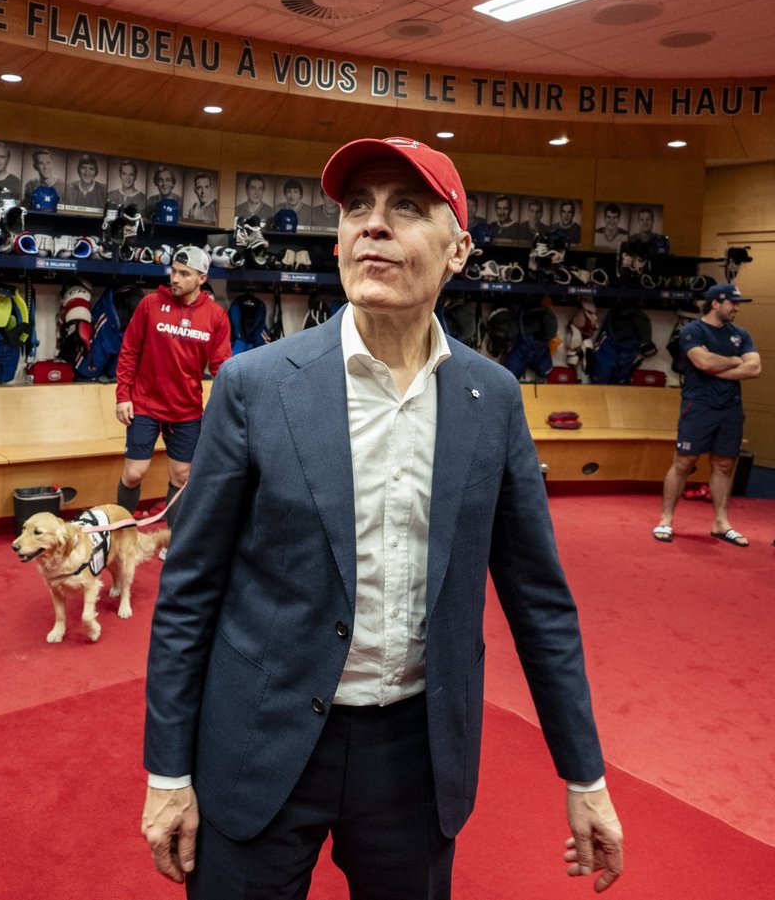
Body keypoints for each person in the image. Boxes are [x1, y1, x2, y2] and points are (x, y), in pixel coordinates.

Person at [142, 136, 623, 899]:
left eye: (406, 207)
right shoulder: (255, 386)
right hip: (261, 739)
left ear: (458, 248)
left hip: (416, 757)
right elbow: (190, 589)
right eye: (356, 207)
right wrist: (167, 770)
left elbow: (539, 600)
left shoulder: (492, 398)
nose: (373, 224)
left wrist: (585, 773)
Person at [114, 244, 231, 527]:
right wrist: (122, 395)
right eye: (173, 272)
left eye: (184, 274)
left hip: (186, 410)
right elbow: (129, 350)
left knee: (181, 476)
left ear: (202, 278)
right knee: (134, 473)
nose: (175, 279)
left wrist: (226, 406)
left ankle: (174, 541)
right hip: (144, 404)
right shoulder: (150, 305)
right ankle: (120, 532)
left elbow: (222, 367)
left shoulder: (215, 316)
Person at [653, 283, 762, 546]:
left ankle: (721, 523)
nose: (736, 308)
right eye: (732, 303)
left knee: (724, 464)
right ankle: (666, 519)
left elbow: (755, 367)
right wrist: (736, 361)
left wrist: (720, 367)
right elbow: (703, 362)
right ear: (715, 303)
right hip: (699, 405)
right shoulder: (692, 331)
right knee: (684, 461)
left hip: (730, 406)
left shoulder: (741, 334)